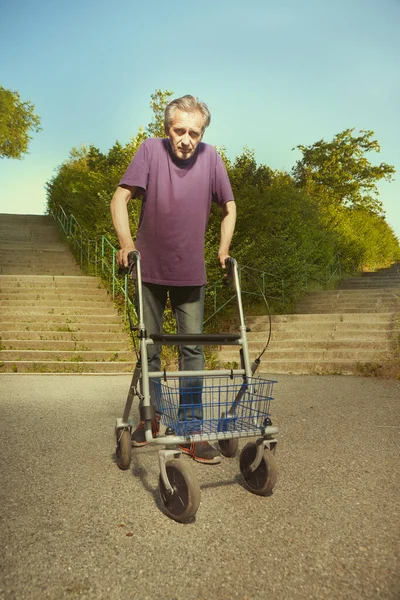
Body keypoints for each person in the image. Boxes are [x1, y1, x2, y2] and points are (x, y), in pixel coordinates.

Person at [110, 94, 236, 464]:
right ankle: (151, 419)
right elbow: (120, 199)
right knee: (149, 347)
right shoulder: (150, 150)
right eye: (179, 130)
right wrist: (126, 242)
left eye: (194, 132)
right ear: (167, 129)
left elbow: (229, 208)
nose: (186, 139)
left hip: (190, 272)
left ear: (202, 133)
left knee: (191, 350)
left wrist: (223, 250)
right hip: (148, 271)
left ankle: (191, 429)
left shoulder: (211, 157)